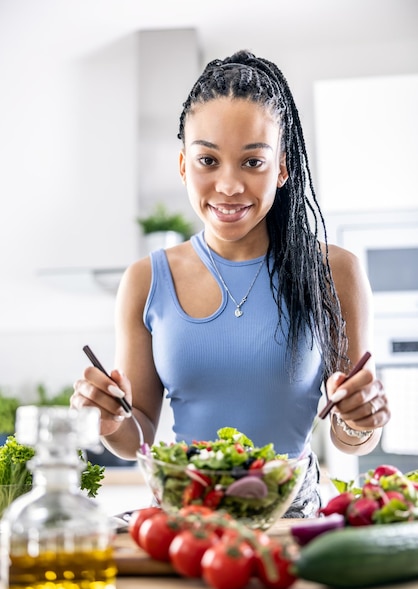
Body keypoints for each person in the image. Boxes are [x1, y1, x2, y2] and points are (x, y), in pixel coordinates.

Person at [71, 50, 391, 517]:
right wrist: (108, 418)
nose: (228, 186)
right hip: (185, 514)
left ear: (282, 168)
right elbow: (134, 435)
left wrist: (361, 419)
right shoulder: (145, 280)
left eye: (252, 163)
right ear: (183, 165)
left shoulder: (334, 272)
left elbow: (351, 436)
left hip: (290, 516)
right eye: (207, 160)